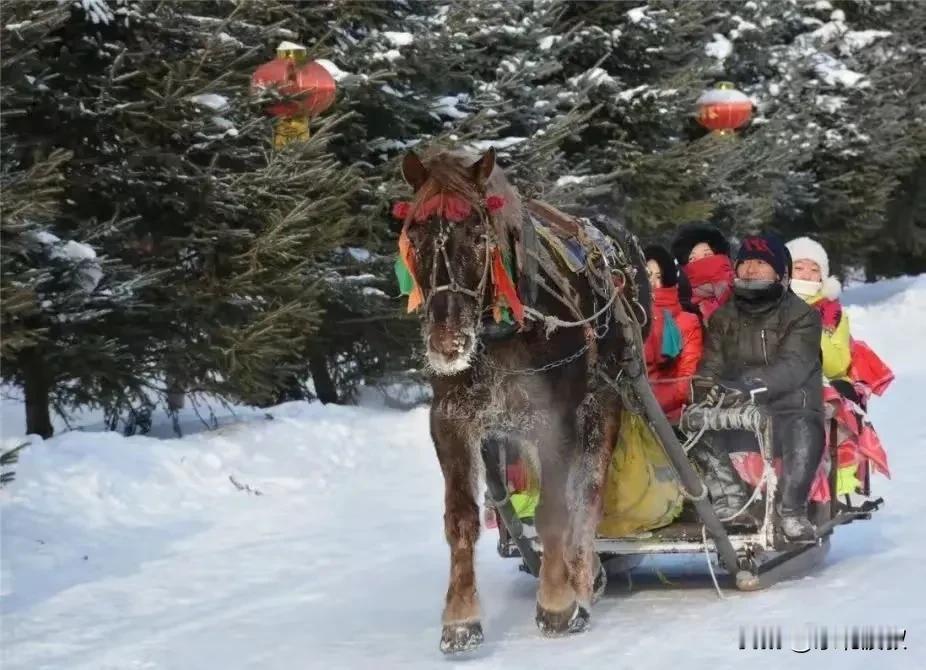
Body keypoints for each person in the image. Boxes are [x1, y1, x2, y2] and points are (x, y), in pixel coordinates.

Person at [690, 233, 824, 542]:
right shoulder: (723, 318)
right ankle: (732, 503)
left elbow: (792, 367)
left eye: (761, 264)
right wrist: (704, 389)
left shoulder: (803, 316)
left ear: (781, 274)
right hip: (740, 409)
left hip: (788, 407)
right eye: (745, 264)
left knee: (805, 427)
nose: (750, 271)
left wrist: (749, 386)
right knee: (693, 424)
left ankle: (792, 511)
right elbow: (711, 364)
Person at [785, 236, 892, 497]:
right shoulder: (770, 306)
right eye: (799, 268)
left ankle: (831, 477)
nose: (807, 275)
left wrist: (810, 325)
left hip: (820, 381)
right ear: (786, 271)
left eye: (814, 270)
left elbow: (836, 364)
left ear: (822, 277)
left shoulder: (833, 313)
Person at [643, 244, 703, 423]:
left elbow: (686, 379)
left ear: (668, 281)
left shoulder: (686, 321)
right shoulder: (627, 318)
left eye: (659, 277)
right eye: (647, 276)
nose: (652, 283)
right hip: (626, 410)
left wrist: (647, 403)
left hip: (667, 415)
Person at [671, 223, 734, 323]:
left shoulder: (741, 295)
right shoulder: (678, 303)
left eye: (707, 255)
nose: (701, 263)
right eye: (692, 259)